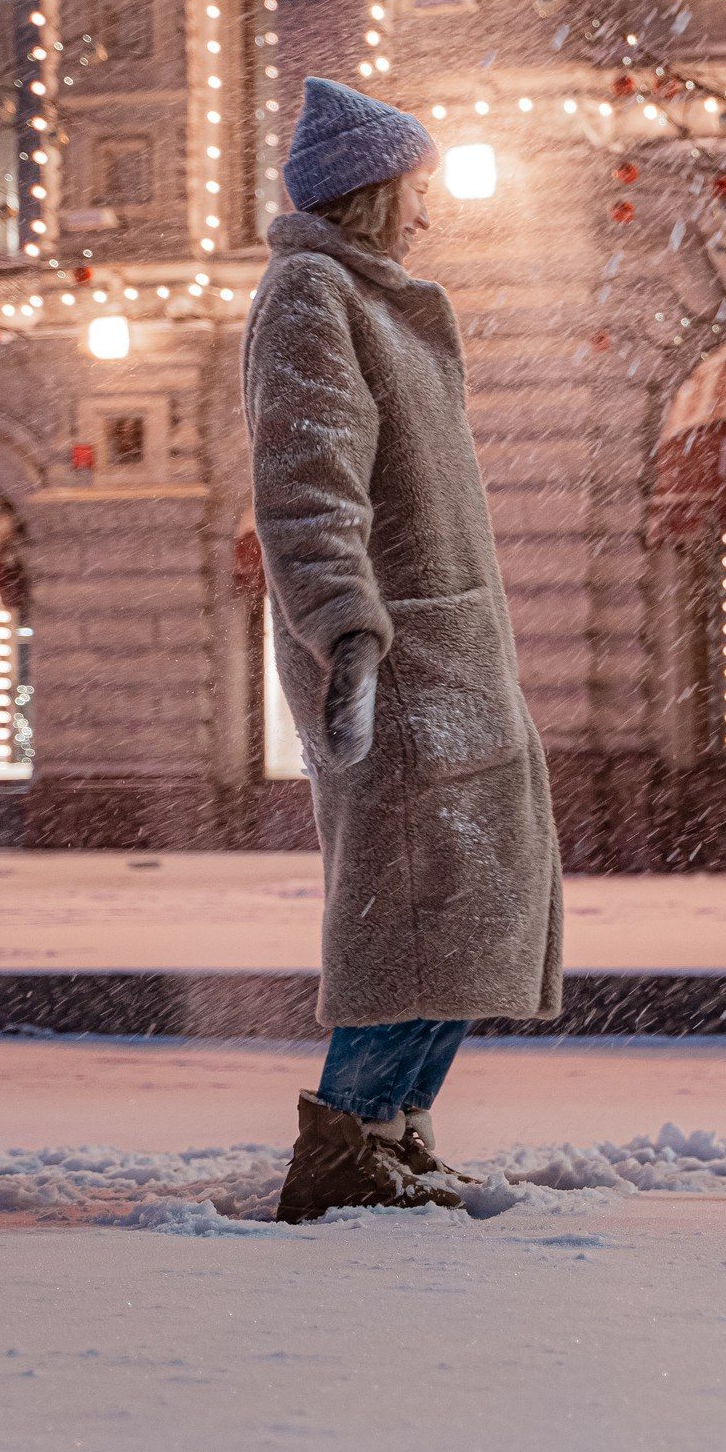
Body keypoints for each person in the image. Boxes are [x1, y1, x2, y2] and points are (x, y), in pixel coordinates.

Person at [243, 77, 565, 1224]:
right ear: (374, 191)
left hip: (451, 655)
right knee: (411, 911)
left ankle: (395, 1128)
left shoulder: (380, 298)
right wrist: (344, 629)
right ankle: (345, 1144)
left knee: (474, 904)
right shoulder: (310, 295)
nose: (429, 211)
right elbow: (306, 483)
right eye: (417, 188)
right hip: (395, 661)